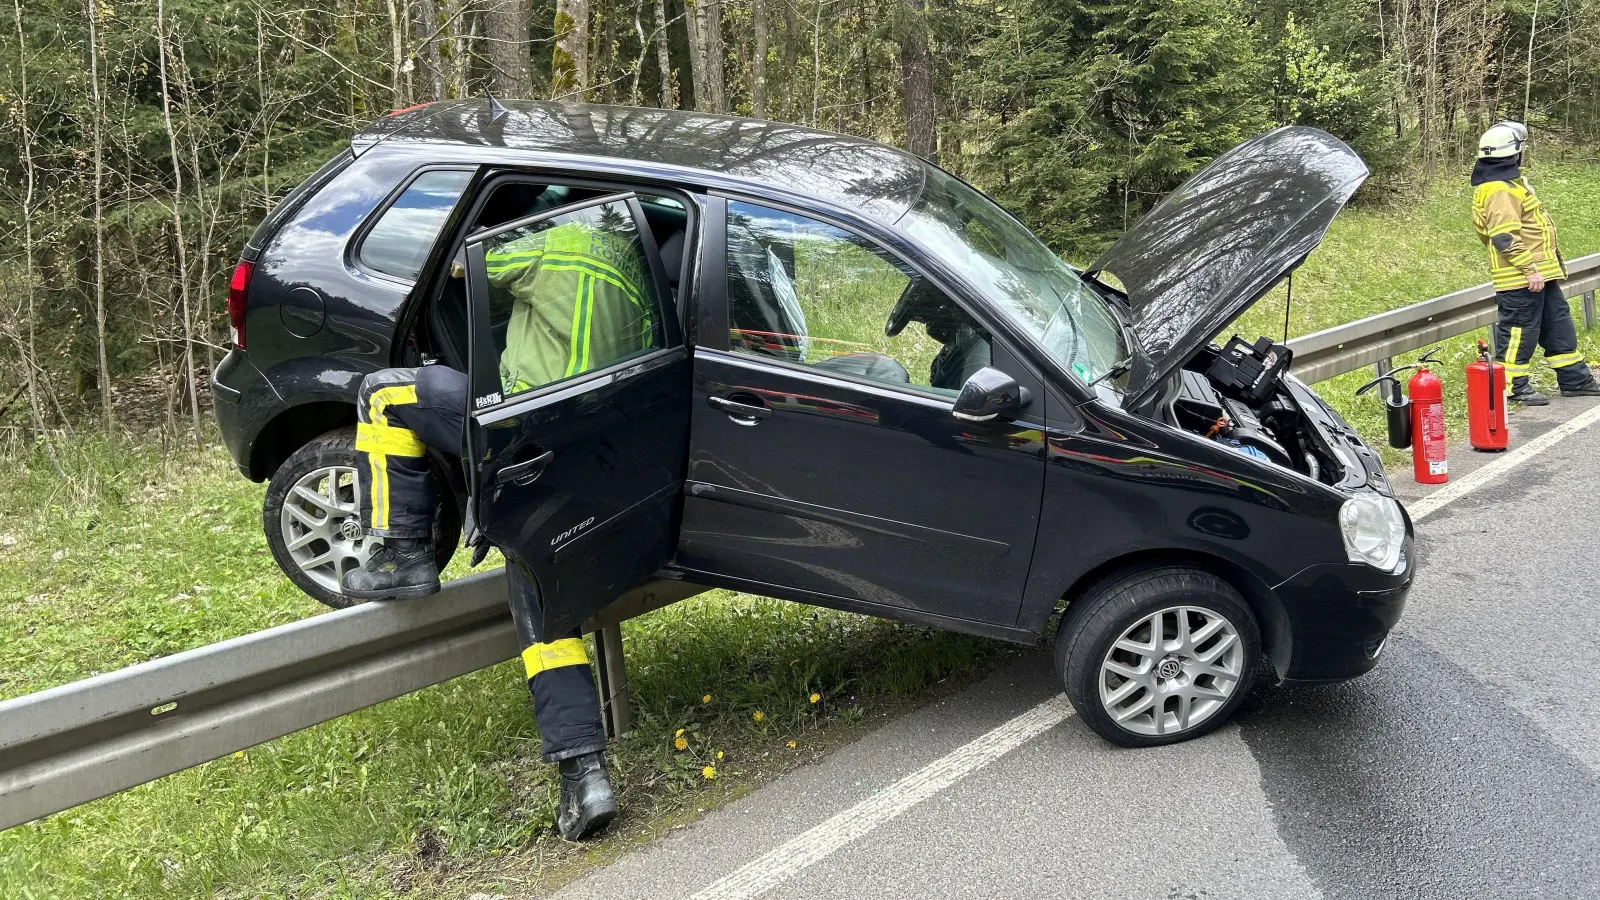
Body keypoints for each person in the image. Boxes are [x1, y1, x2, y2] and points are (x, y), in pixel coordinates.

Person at [338, 209, 657, 841]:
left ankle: (402, 554)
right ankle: (583, 775)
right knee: (543, 608)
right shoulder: (638, 270)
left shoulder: (555, 244)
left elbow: (461, 267)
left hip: (520, 426)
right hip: (594, 451)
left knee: (382, 393)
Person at [1471, 121, 1600, 404]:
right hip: (1522, 277)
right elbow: (1503, 237)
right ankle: (1512, 387)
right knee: (1519, 332)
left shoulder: (1510, 185)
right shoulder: (1498, 190)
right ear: (1514, 153)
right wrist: (1529, 269)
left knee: (1558, 325)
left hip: (1539, 274)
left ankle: (1575, 379)